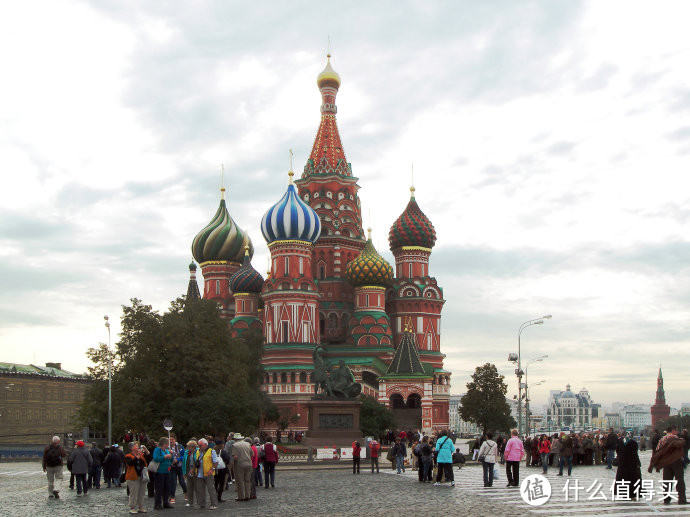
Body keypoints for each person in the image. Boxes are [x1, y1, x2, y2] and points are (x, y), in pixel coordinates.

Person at [648, 425, 687, 505]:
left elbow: (657, 451)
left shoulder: (662, 439)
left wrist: (654, 464)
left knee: (667, 481)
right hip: (676, 461)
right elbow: (680, 446)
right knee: (679, 480)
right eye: (676, 431)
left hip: (666, 463)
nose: (677, 432)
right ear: (673, 430)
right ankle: (682, 499)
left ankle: (666, 499)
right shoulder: (676, 438)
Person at [614, 432, 641, 500]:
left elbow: (617, 452)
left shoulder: (620, 442)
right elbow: (635, 454)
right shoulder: (633, 442)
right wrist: (638, 463)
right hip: (632, 463)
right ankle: (632, 494)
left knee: (623, 478)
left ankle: (623, 493)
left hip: (622, 463)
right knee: (632, 479)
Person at [125, 442, 148, 514]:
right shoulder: (128, 456)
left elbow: (149, 458)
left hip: (142, 476)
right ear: (131, 448)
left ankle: (141, 506)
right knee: (134, 493)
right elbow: (130, 463)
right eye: (136, 446)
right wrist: (137, 457)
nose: (137, 447)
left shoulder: (142, 455)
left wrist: (146, 450)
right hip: (132, 477)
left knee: (142, 492)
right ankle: (132, 507)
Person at [196, 438, 219, 509]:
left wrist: (212, 470)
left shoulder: (212, 451)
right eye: (198, 445)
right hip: (199, 473)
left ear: (206, 445)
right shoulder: (198, 451)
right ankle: (201, 504)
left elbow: (216, 462)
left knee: (211, 489)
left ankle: (214, 504)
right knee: (200, 490)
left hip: (208, 473)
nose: (199, 447)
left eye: (200, 445)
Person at [152, 436, 174, 510]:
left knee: (167, 488)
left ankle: (165, 502)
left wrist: (172, 455)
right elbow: (156, 458)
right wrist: (164, 457)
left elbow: (171, 460)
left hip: (167, 471)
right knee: (159, 488)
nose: (168, 445)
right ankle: (157, 504)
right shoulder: (157, 450)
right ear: (164, 444)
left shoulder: (167, 450)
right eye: (167, 443)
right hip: (159, 472)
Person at [232, 437, 253, 502]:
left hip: (240, 464)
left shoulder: (235, 445)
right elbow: (252, 454)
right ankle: (247, 495)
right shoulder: (247, 444)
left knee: (240, 480)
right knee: (247, 480)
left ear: (235, 439)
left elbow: (235, 457)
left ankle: (241, 496)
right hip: (249, 464)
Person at [168, 436, 187, 504]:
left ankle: (185, 492)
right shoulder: (168, 447)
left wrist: (178, 459)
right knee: (173, 482)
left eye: (172, 439)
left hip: (180, 466)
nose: (171, 441)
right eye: (170, 440)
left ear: (175, 440)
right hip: (172, 467)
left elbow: (184, 455)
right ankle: (172, 496)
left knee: (182, 481)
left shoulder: (179, 446)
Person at [182, 440, 199, 508]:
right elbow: (184, 463)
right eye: (188, 446)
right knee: (189, 487)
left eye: (191, 446)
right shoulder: (186, 453)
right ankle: (190, 502)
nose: (189, 448)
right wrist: (184, 473)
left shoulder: (197, 452)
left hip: (196, 471)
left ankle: (199, 502)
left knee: (197, 487)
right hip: (188, 470)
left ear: (194, 446)